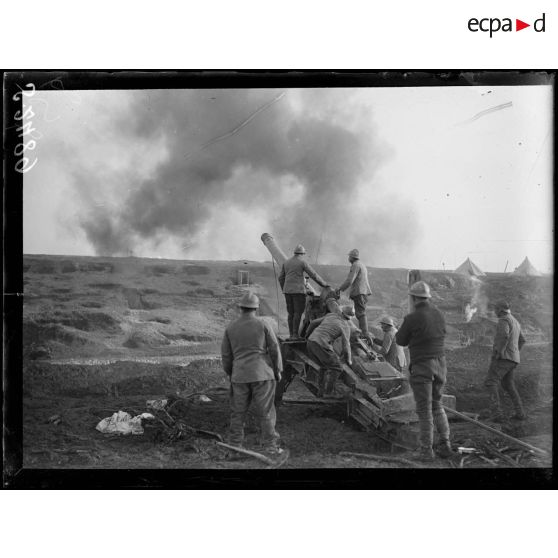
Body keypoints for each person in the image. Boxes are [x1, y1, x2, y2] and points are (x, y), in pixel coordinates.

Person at [221, 292, 284, 456]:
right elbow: (275, 349)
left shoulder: (231, 327)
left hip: (239, 376)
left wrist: (231, 373)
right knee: (266, 412)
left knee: (238, 413)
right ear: (256, 308)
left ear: (240, 307)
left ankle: (235, 447)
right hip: (262, 374)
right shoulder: (263, 324)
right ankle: (270, 446)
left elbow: (226, 356)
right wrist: (277, 371)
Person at [396, 281, 452, 461]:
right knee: (437, 404)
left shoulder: (412, 318)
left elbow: (400, 341)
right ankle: (445, 444)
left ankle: (426, 451)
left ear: (413, 298)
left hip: (423, 366)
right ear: (427, 297)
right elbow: (442, 333)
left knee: (424, 409)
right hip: (441, 365)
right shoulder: (439, 314)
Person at [483, 301, 526, 421]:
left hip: (503, 358)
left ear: (501, 309)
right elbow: (522, 340)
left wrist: (499, 352)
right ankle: (520, 413)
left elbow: (504, 336)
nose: (494, 312)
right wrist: (514, 353)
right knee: (508, 385)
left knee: (490, 382)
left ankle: (497, 414)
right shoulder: (515, 321)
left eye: (496, 309)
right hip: (513, 359)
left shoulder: (503, 320)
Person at [278, 244, 329, 339]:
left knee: (291, 313)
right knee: (298, 312)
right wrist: (323, 284)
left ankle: (291, 334)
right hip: (298, 292)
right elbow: (313, 275)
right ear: (302, 254)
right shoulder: (302, 262)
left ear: (295, 252)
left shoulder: (286, 262)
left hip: (287, 292)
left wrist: (285, 289)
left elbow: (281, 278)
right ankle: (295, 335)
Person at [305, 305, 355, 397]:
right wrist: (349, 360)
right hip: (321, 344)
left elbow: (313, 323)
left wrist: (306, 336)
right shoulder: (345, 326)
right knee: (337, 367)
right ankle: (329, 393)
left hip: (311, 341)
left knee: (323, 366)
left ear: (342, 312)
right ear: (350, 318)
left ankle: (321, 392)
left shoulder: (331, 315)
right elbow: (346, 346)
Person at [335, 249, 372, 342]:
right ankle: (364, 332)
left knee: (360, 313)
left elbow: (349, 280)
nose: (348, 258)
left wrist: (339, 289)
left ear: (352, 257)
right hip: (363, 292)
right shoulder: (362, 265)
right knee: (361, 312)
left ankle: (365, 333)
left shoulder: (355, 265)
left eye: (349, 256)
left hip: (360, 292)